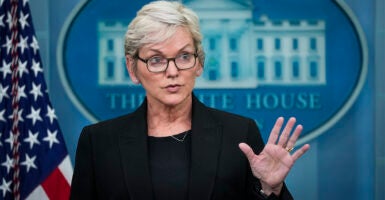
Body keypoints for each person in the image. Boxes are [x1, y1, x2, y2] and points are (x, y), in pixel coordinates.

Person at [70, 1, 310, 199]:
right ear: (133, 69)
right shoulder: (98, 143)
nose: (172, 71)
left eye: (184, 56)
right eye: (156, 59)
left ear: (199, 63)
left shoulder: (239, 134)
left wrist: (270, 189)